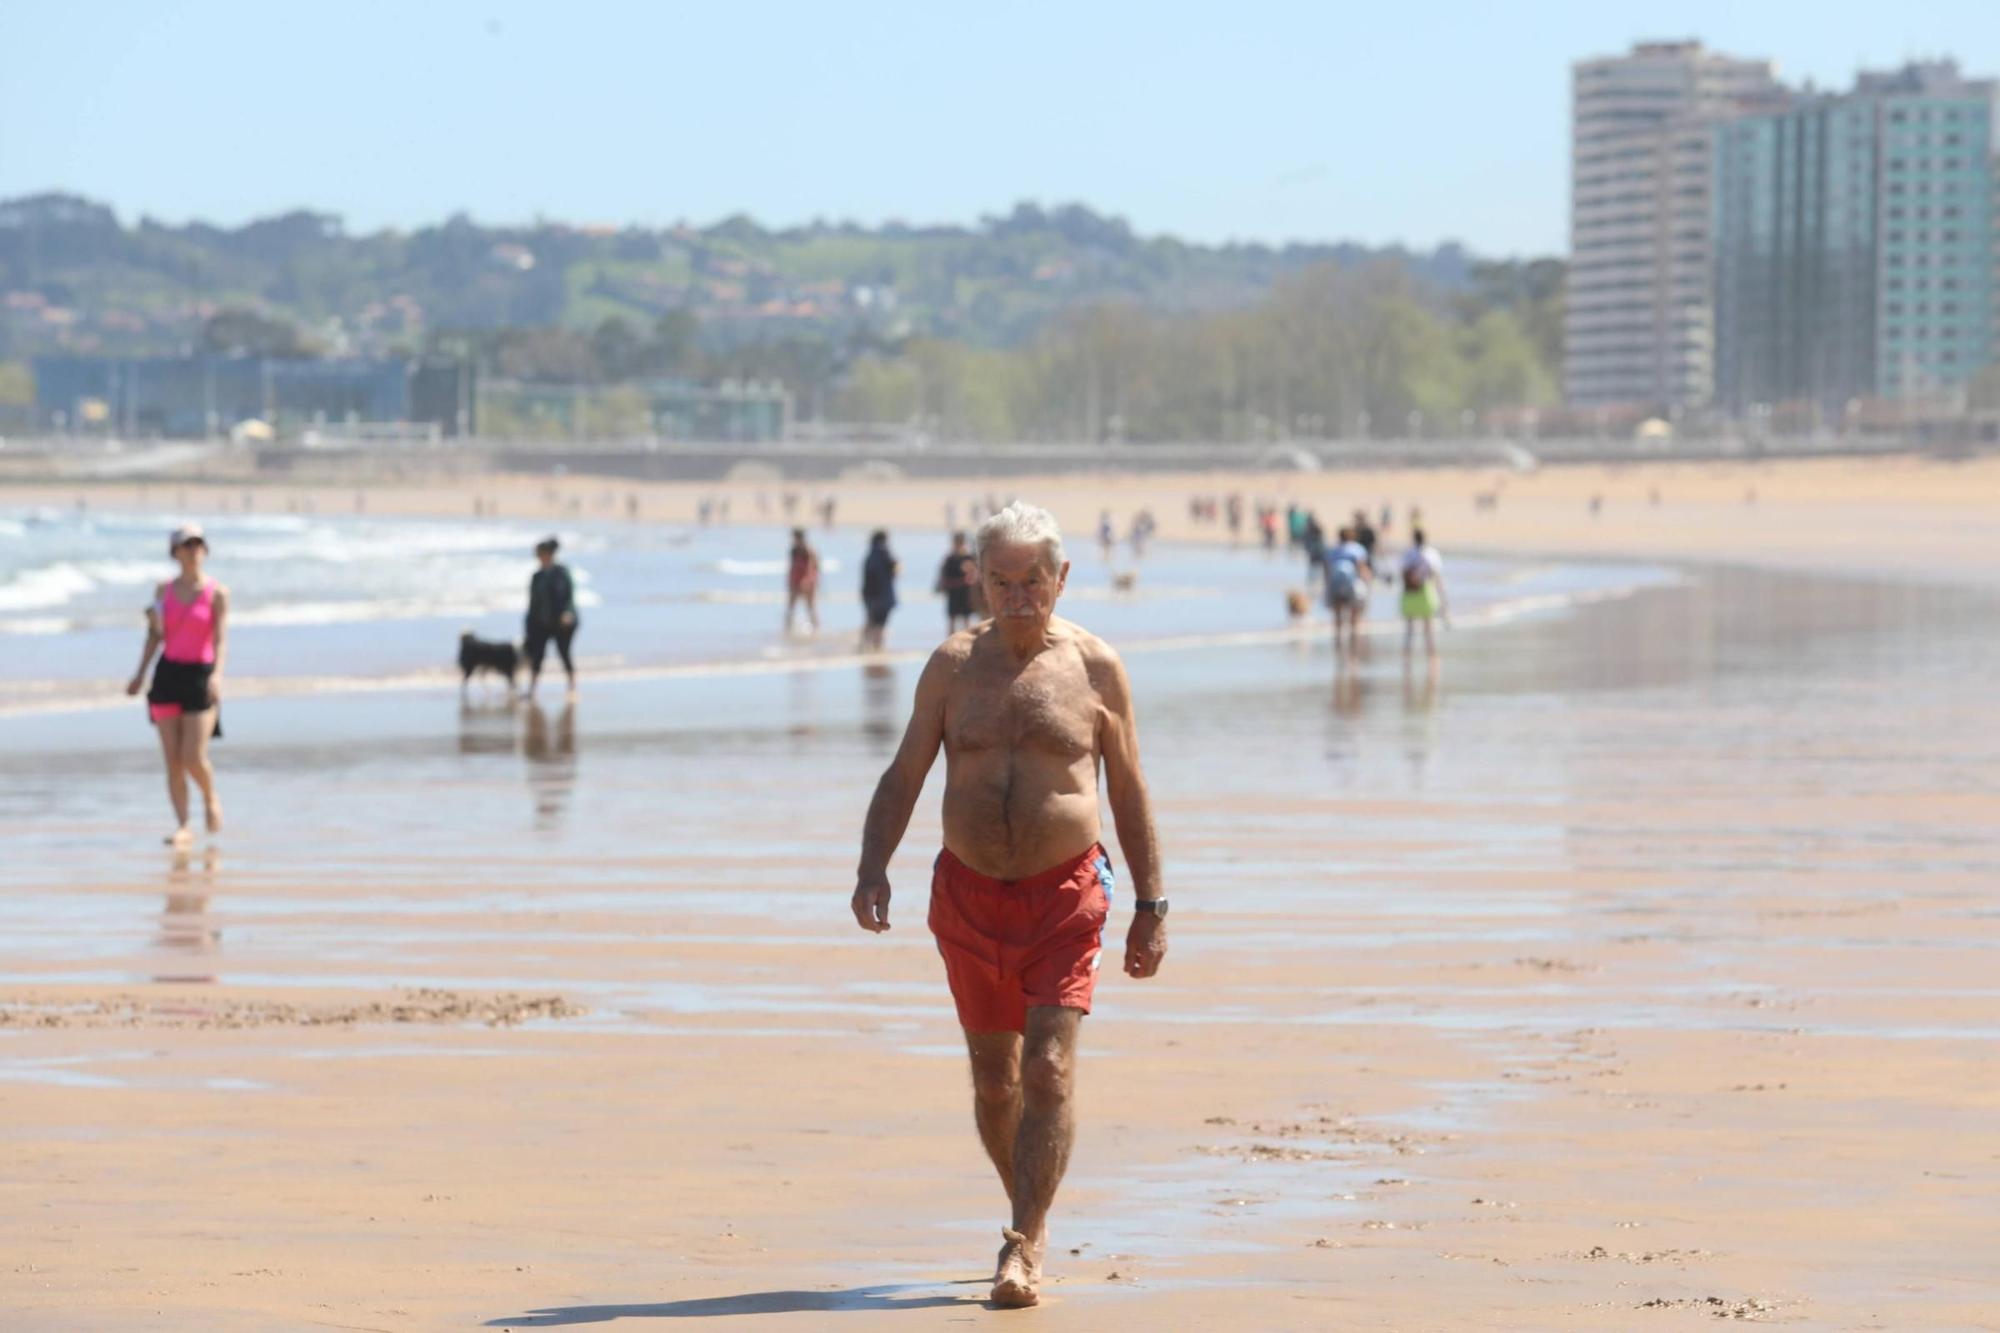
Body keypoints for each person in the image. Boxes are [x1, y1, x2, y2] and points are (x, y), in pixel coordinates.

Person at [851, 501, 1167, 1309]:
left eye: (1034, 580)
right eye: (1002, 580)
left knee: (1048, 1070)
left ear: (1062, 577)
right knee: (996, 1082)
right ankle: (1030, 1207)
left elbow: (1128, 790)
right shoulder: (953, 667)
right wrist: (872, 865)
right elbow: (904, 772)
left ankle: (1022, 1243)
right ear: (978, 579)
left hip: (1065, 898)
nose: (1018, 595)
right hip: (967, 898)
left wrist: (1151, 901)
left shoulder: (1097, 668)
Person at [125, 524, 229, 848]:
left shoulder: (217, 593)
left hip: (200, 676)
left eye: (198, 544)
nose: (194, 550)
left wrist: (217, 676)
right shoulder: (163, 591)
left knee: (193, 756)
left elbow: (221, 640)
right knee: (172, 759)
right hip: (167, 675)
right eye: (187, 545)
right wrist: (139, 674)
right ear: (175, 552)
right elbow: (155, 636)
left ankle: (210, 797)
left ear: (205, 550)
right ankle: (183, 824)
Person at [525, 538, 580, 698]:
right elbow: (533, 603)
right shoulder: (537, 576)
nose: (539, 557)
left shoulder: (562, 573)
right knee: (537, 655)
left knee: (563, 652)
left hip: (562, 623)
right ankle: (532, 690)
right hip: (541, 622)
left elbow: (570, 596)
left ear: (549, 554)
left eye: (541, 554)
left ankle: (572, 688)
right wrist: (529, 623)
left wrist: (567, 613)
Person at [1398, 526, 1449, 661]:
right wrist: (1443, 599)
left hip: (1410, 591)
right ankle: (1432, 655)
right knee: (1428, 626)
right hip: (1426, 590)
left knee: (1409, 627)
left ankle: (1407, 655)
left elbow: (1402, 572)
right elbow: (1436, 577)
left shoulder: (1408, 553)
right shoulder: (1431, 554)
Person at [1323, 525, 1372, 659]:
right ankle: (1353, 645)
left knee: (1338, 615)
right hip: (1352, 584)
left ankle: (1338, 644)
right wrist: (1368, 582)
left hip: (1335, 583)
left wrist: (1327, 586)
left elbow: (1327, 570)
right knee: (1354, 616)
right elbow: (1361, 568)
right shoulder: (1357, 549)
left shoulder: (1333, 551)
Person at [859, 529, 899, 651]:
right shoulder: (885, 552)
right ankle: (878, 647)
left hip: (869, 594)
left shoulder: (869, 555)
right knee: (880, 623)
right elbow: (895, 570)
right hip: (883, 595)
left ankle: (864, 645)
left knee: (870, 620)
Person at [936, 531, 977, 633]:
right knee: (952, 620)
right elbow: (943, 575)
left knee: (966, 619)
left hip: (965, 592)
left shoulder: (969, 558)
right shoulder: (950, 558)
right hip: (953, 592)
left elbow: (976, 576)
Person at [784, 528, 821, 635]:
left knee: (810, 607)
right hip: (795, 580)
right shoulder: (793, 550)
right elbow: (792, 567)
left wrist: (808, 581)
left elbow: (812, 567)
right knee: (790, 607)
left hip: (807, 582)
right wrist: (789, 581)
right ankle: (787, 630)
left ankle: (816, 629)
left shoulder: (808, 550)